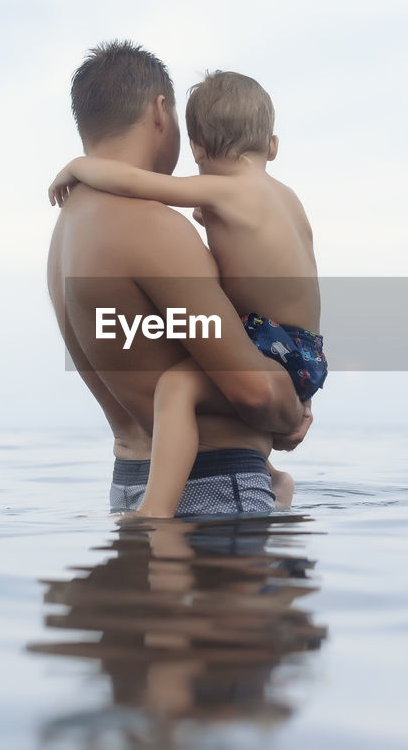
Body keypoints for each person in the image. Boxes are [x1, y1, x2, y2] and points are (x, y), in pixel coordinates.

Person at [47, 42, 311, 518]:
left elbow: (138, 336)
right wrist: (292, 412)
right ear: (160, 111)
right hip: (213, 484)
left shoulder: (66, 231)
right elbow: (251, 388)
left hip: (131, 479)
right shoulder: (150, 225)